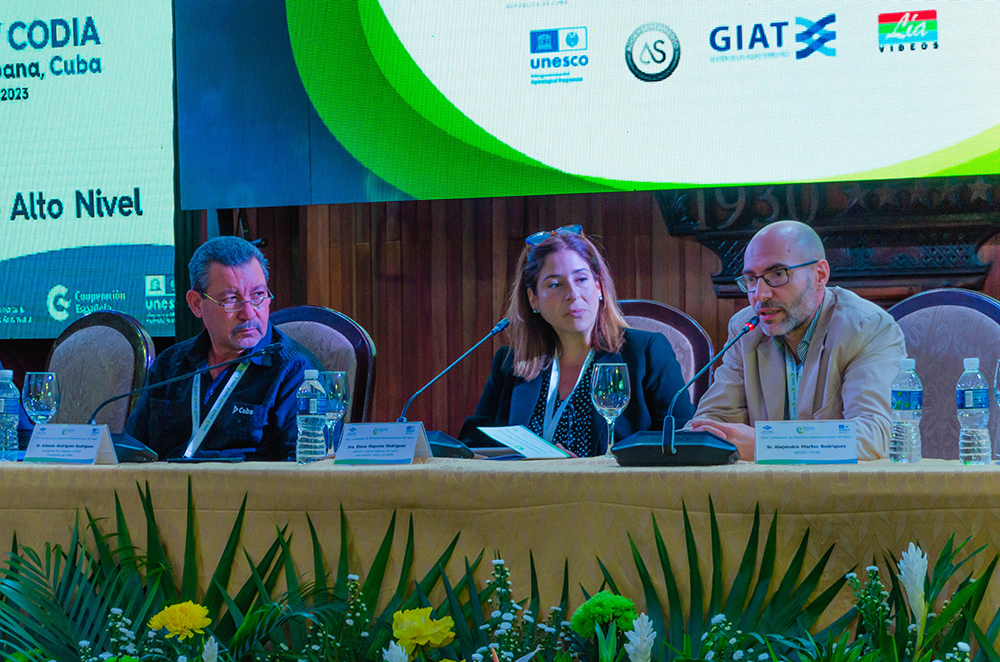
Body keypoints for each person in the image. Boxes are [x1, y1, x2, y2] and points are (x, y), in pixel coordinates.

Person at [460, 225, 693, 457]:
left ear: (599, 286)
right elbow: (472, 444)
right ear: (533, 299)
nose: (573, 293)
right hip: (526, 491)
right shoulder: (510, 363)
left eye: (581, 279)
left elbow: (683, 440)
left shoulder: (646, 353)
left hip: (611, 492)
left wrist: (582, 469)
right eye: (554, 284)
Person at [688, 220, 906, 460]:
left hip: (840, 493)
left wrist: (766, 445)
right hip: (762, 493)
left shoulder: (867, 327)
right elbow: (709, 423)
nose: (760, 295)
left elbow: (877, 435)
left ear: (820, 275)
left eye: (778, 274)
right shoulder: (746, 329)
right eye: (751, 279)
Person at [125, 236, 318, 460]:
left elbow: (304, 470)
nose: (248, 313)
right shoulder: (170, 365)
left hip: (248, 492)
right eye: (231, 299)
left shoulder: (295, 372)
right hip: (164, 492)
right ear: (196, 304)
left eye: (257, 296)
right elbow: (133, 450)